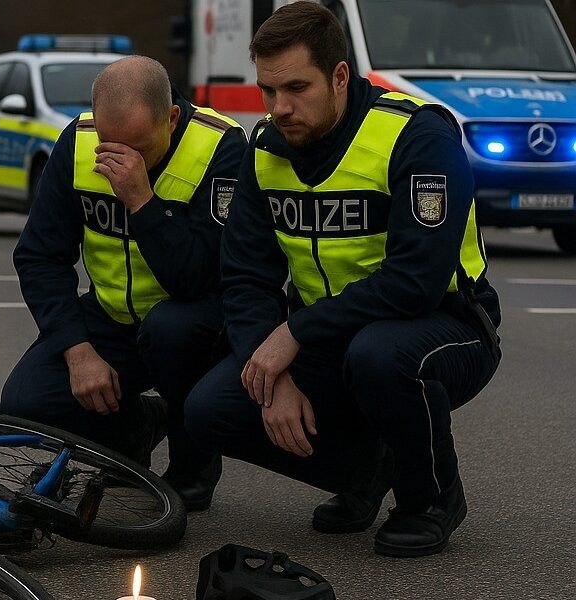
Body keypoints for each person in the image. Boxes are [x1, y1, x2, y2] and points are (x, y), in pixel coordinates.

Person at [184, 1, 501, 557]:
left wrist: (295, 333)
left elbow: (416, 281)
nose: (279, 108)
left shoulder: (417, 135)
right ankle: (365, 471)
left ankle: (429, 498)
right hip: (329, 333)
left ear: (338, 76)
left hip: (444, 324)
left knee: (379, 355)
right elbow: (245, 279)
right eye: (268, 92)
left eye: (297, 89)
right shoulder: (263, 150)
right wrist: (275, 374)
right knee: (211, 409)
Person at [0, 55, 248, 512]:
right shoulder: (78, 141)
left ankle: (193, 466)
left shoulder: (222, 147)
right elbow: (39, 256)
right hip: (112, 315)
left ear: (171, 117)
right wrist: (77, 349)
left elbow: (201, 278)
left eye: (137, 147)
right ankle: (139, 427)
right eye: (111, 145)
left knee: (171, 329)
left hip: (191, 318)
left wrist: (142, 202)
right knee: (25, 401)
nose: (122, 160)